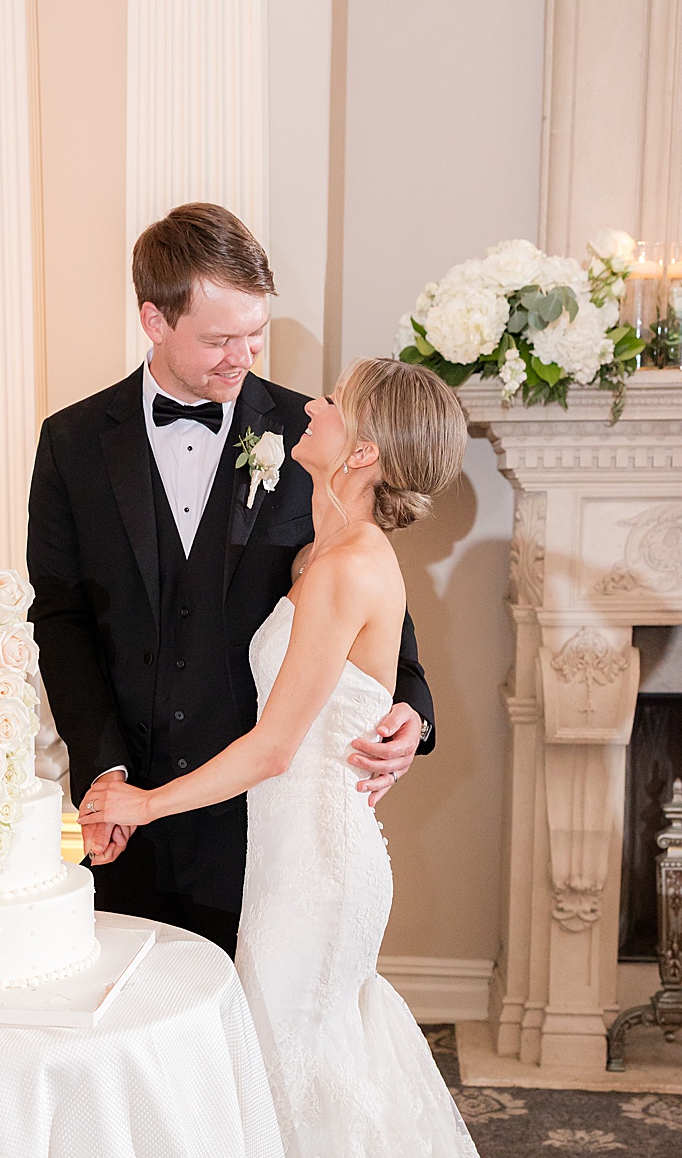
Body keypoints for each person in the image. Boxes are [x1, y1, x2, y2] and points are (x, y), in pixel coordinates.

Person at [80, 359, 600, 1158]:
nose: (306, 408)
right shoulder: (325, 543)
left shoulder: (344, 567)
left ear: (361, 450)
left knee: (286, 1077)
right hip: (295, 851)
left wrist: (142, 805)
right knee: (307, 1073)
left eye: (333, 406)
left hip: (313, 863)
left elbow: (277, 747)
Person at [28, 203, 433, 955]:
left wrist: (410, 704)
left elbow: (376, 599)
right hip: (128, 813)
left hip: (263, 819)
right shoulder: (71, 444)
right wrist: (106, 770)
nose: (242, 357)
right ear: (154, 320)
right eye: (218, 339)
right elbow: (60, 616)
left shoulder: (309, 435)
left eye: (256, 334)